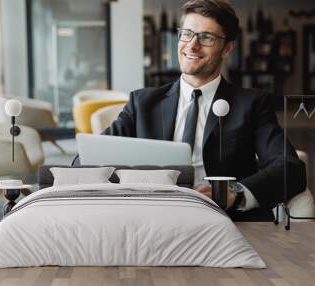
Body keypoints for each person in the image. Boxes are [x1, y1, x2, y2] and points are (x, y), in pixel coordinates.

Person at [103, 0, 306, 221]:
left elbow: (290, 168)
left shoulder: (253, 104)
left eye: (206, 37)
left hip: (223, 220)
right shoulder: (143, 103)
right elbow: (89, 159)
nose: (192, 45)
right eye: (187, 33)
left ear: (227, 48)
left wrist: (234, 194)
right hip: (151, 217)